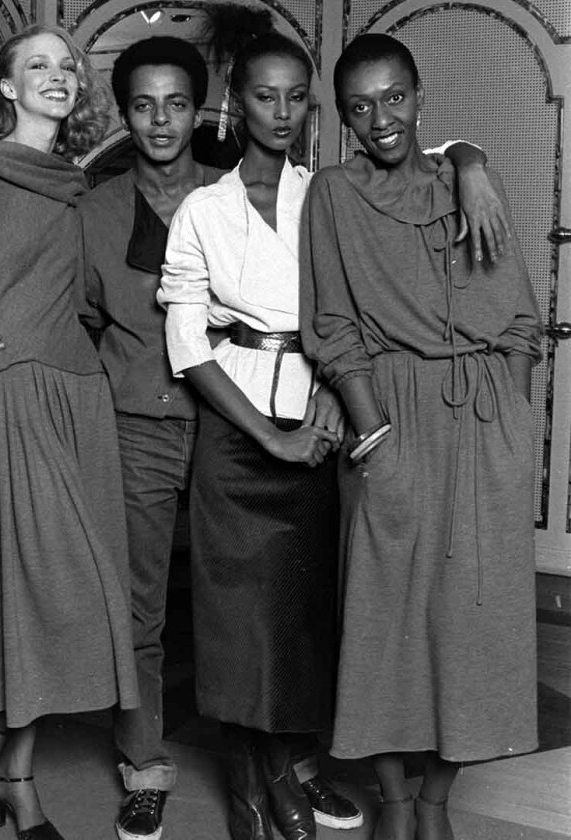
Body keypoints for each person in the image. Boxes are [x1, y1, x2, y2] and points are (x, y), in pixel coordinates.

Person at [156, 16, 514, 840]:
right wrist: (269, 434)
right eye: (262, 97)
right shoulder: (202, 210)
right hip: (238, 427)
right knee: (238, 624)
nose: (280, 113)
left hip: (321, 429)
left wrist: (470, 158)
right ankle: (251, 781)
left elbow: (418, 156)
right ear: (235, 104)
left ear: (315, 115)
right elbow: (187, 343)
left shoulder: (327, 190)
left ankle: (289, 770)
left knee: (305, 622)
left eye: (296, 100)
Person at [299, 33, 541, 840]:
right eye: (361, 106)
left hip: (482, 427)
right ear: (344, 119)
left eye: (394, 97)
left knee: (474, 623)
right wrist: (377, 438)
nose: (382, 118)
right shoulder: (332, 195)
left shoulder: (471, 181)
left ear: (420, 95)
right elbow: (331, 326)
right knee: (384, 623)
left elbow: (520, 321)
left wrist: (509, 421)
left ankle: (436, 803)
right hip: (391, 421)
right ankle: (396, 803)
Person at [0, 25, 138, 840]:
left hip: (80, 399)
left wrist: (463, 151)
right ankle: (15, 776)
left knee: (72, 598)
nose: (57, 75)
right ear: (5, 88)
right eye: (35, 66)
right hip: (3, 399)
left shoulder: (83, 184)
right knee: (36, 593)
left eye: (66, 65)